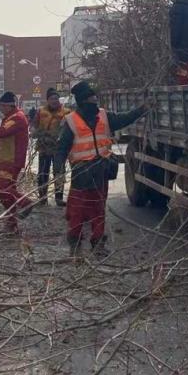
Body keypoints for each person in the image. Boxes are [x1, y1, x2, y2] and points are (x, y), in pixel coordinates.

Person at [56, 81, 147, 258]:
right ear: (83, 101)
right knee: (77, 212)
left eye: (95, 98)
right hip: (81, 174)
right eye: (91, 98)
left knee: (98, 210)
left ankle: (98, 245)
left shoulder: (104, 116)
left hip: (100, 172)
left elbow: (124, 118)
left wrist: (142, 110)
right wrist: (58, 170)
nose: (95, 101)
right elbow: (62, 148)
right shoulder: (71, 121)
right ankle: (75, 245)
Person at [0, 92, 34, 234]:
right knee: (7, 193)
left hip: (12, 160)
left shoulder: (17, 117)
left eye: (1, 106)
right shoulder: (9, 118)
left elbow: (3, 132)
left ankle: (25, 203)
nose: (0, 109)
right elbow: (4, 137)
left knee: (2, 189)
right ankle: (11, 225)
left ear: (8, 105)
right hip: (7, 159)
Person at [33, 88, 70, 207]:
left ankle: (59, 198)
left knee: (59, 173)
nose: (54, 101)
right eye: (52, 99)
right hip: (44, 147)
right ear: (47, 100)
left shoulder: (66, 112)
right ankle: (42, 198)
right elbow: (34, 128)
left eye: (56, 98)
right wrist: (40, 135)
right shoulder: (40, 112)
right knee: (43, 173)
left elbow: (68, 130)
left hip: (58, 149)